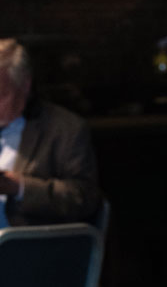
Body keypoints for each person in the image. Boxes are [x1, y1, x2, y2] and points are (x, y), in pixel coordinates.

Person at [0, 38, 101, 228]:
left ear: (24, 86)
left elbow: (84, 198)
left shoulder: (65, 129)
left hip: (25, 241)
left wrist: (19, 187)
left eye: (1, 95)